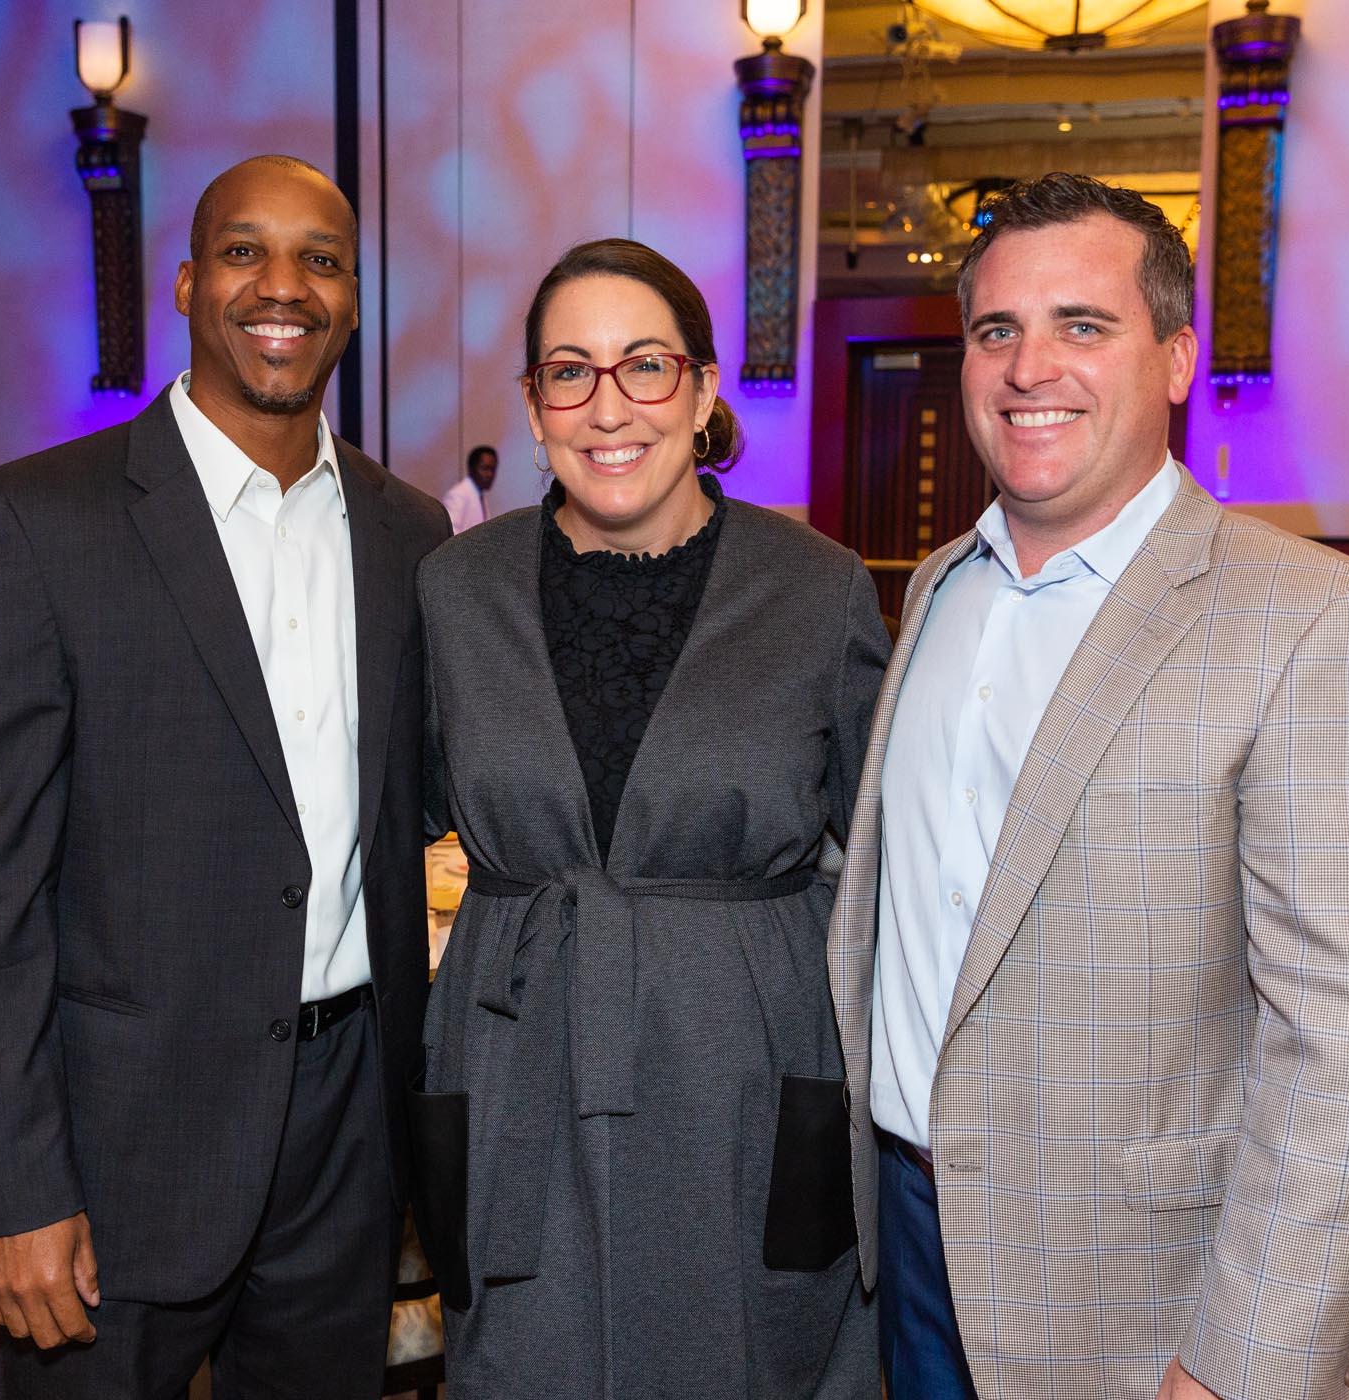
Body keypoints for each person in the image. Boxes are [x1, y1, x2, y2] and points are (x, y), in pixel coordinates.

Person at [828, 174, 1349, 1400]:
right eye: (998, 329)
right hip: (912, 1238)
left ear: (1175, 358)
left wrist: (1242, 1362)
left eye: (1083, 324)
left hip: (1144, 1303)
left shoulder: (1322, 623)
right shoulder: (939, 587)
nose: (1030, 367)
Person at [0, 155, 449, 1398]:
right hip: (120, 1143)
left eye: (321, 259)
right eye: (244, 250)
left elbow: (411, 798)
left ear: (354, 299)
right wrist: (14, 1184)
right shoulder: (36, 522)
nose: (284, 286)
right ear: (186, 280)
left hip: (346, 1133)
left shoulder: (411, 532)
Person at [411, 238, 888, 1397]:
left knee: (743, 1357)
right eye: (569, 371)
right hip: (517, 1058)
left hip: (744, 1072)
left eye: (646, 365)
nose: (608, 404)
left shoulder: (818, 588)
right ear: (535, 407)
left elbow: (891, 867)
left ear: (704, 389)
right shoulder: (455, 590)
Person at [441, 443, 498, 532]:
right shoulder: (458, 495)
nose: (490, 474)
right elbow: (450, 533)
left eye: (493, 469)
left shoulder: (480, 495)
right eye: (485, 468)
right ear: (471, 468)